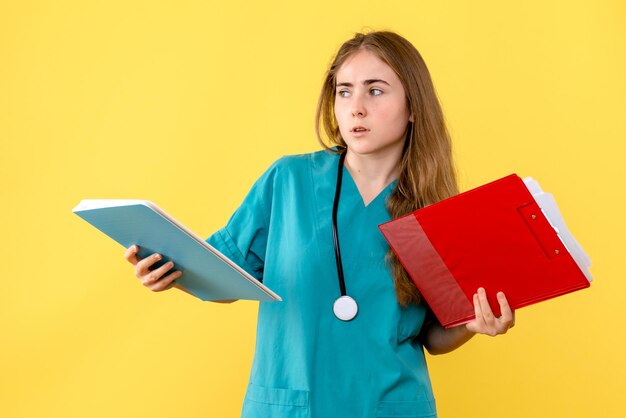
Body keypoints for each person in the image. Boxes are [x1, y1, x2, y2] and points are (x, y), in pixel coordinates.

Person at [124, 30, 515, 418]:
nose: (355, 108)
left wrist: (473, 325)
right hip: (290, 406)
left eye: (375, 91)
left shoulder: (436, 210)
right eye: (344, 91)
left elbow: (432, 335)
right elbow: (226, 275)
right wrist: (169, 270)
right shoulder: (287, 182)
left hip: (389, 405)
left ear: (413, 106)